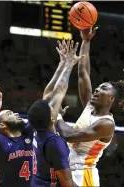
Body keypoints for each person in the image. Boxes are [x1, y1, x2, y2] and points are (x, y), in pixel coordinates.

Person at [57, 28, 124, 187]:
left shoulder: (106, 124)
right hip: (67, 169)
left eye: (104, 89)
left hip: (83, 175)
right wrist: (86, 41)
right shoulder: (90, 106)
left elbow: (68, 135)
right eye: (98, 87)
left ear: (111, 99)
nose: (98, 89)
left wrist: (57, 116)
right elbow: (83, 73)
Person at [28, 39, 85, 187]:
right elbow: (67, 184)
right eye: (52, 109)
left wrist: (62, 64)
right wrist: (69, 65)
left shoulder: (38, 128)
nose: (54, 105)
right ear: (52, 119)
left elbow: (48, 95)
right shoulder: (55, 143)